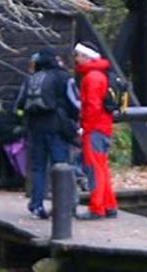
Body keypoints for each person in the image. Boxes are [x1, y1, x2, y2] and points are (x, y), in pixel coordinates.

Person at [15, 48, 78, 219]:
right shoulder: (63, 78)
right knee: (61, 166)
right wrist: (75, 121)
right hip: (57, 127)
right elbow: (75, 103)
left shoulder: (30, 79)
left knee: (38, 168)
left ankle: (36, 206)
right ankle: (64, 206)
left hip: (35, 128)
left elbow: (20, 104)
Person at [74, 43, 119, 220]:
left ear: (87, 57)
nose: (76, 58)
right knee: (102, 167)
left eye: (78, 55)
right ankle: (110, 204)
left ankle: (97, 207)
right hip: (103, 127)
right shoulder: (100, 75)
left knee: (94, 168)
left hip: (94, 129)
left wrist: (85, 126)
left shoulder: (91, 77)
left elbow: (92, 106)